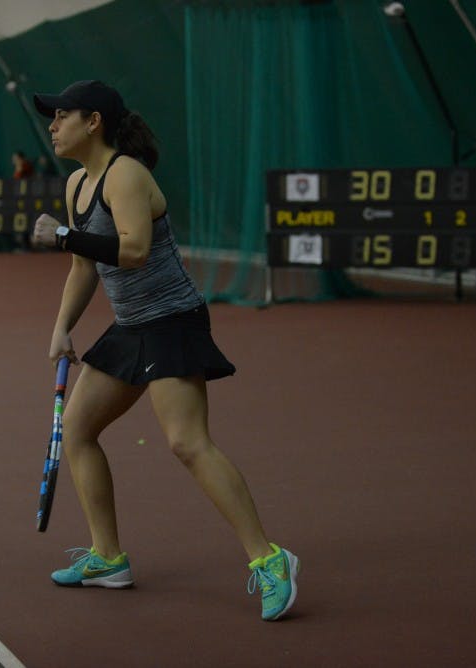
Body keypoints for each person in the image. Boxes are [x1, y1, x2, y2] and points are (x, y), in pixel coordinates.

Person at [31, 80, 299, 621]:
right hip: (131, 325)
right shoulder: (77, 183)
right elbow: (84, 266)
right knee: (78, 431)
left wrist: (62, 236)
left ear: (94, 122)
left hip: (173, 322)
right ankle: (108, 558)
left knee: (187, 443)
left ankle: (271, 560)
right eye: (51, 117)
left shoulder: (126, 174)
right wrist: (62, 326)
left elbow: (133, 250)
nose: (53, 126)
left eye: (62, 115)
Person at [12, 151, 35, 250]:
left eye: (15, 158)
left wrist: (19, 167)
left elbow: (20, 178)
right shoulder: (20, 167)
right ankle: (25, 244)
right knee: (22, 222)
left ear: (20, 158)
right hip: (20, 199)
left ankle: (28, 245)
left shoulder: (25, 166)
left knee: (27, 221)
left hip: (28, 199)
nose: (13, 160)